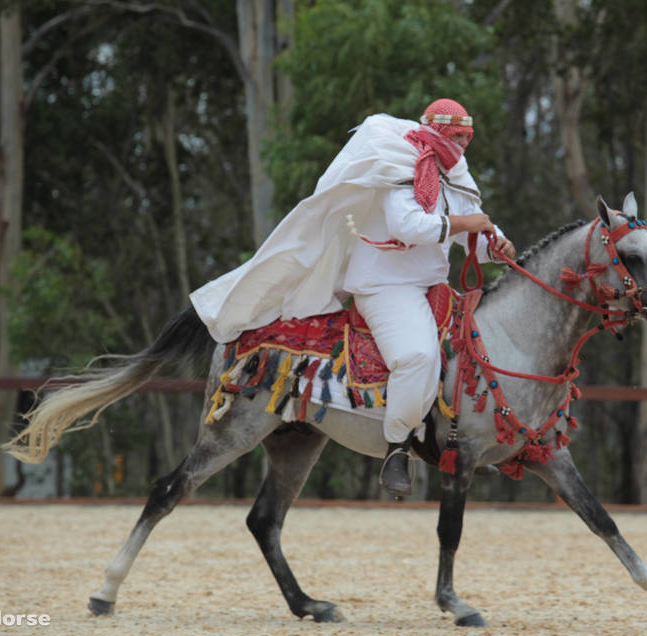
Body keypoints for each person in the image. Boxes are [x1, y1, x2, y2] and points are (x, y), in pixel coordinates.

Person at [189, 98, 514, 497]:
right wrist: (467, 223)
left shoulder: (455, 172)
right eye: (458, 135)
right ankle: (397, 447)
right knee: (417, 357)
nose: (464, 144)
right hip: (386, 287)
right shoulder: (401, 164)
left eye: (468, 136)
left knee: (472, 352)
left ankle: (452, 443)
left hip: (432, 286)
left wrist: (495, 244)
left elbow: (472, 231)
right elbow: (407, 225)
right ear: (439, 132)